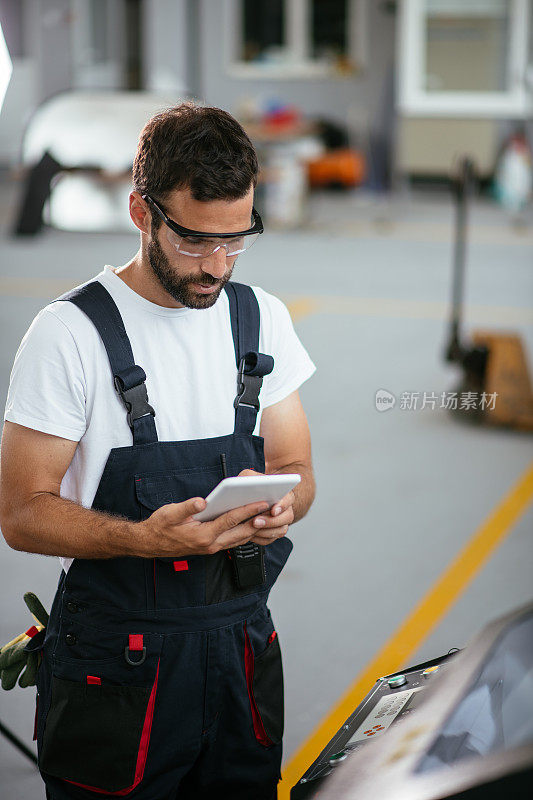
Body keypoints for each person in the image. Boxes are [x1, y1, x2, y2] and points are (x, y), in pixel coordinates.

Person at [0, 102, 316, 800]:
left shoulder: (259, 317)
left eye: (238, 240)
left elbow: (296, 467)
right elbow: (21, 514)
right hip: (116, 663)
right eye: (197, 241)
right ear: (143, 213)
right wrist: (142, 538)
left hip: (239, 651)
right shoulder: (70, 335)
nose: (218, 266)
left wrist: (281, 506)